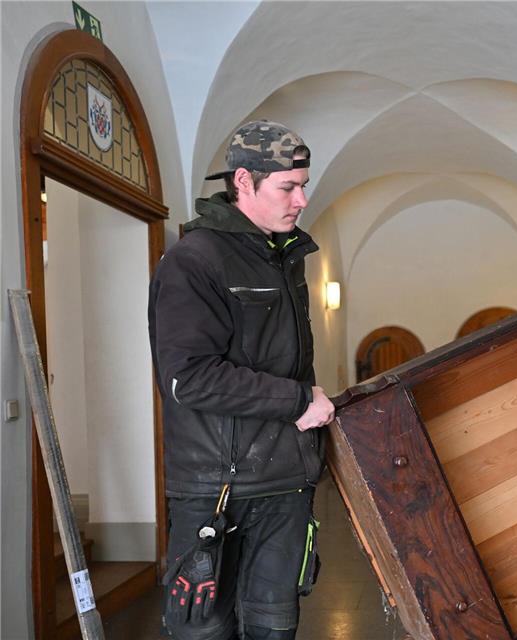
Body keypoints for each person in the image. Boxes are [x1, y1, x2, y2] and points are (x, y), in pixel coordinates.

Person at [148, 120, 335, 639]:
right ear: (245, 182)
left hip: (285, 484)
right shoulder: (195, 260)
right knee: (204, 632)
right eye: (287, 187)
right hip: (215, 491)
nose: (300, 200)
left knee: (275, 629)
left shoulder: (284, 256)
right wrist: (298, 400)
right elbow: (190, 378)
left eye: (303, 185)